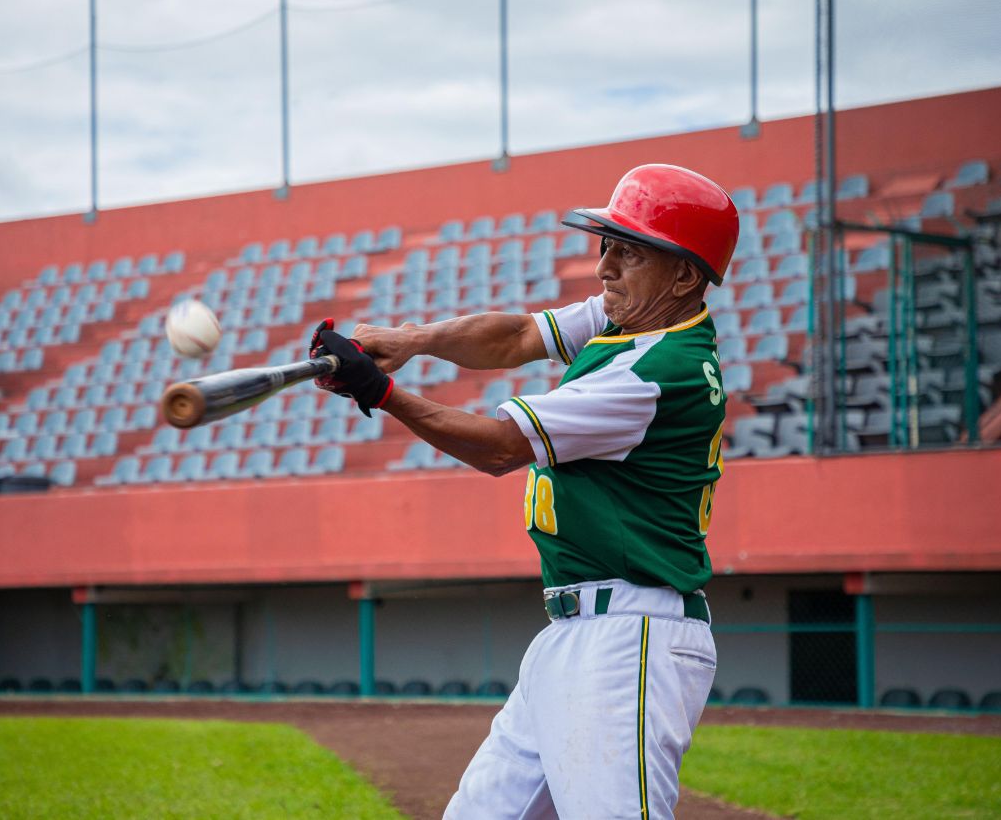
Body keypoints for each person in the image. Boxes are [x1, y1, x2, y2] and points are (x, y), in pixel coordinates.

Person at [309, 163, 739, 819]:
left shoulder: (656, 369)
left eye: (630, 251)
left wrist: (380, 391)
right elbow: (514, 337)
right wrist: (407, 341)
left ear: (684, 275)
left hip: (630, 637)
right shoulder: (631, 323)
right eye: (607, 245)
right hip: (573, 633)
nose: (605, 267)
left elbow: (500, 446)